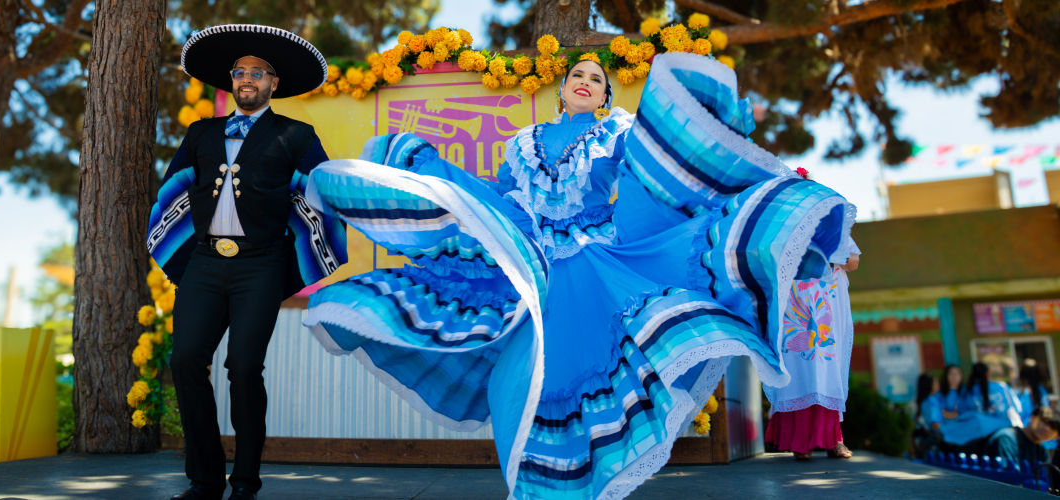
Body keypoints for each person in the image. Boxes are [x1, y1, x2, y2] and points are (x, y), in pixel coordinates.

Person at [303, 52, 855, 499]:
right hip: (535, 264)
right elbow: (505, 198)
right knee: (534, 375)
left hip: (596, 263)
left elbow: (651, 177)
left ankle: (588, 479)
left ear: (606, 96)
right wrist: (445, 183)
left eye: (597, 78)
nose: (586, 82)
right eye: (577, 76)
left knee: (588, 363)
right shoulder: (522, 144)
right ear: (563, 90)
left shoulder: (615, 132)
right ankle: (544, 482)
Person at [145, 25, 347, 500]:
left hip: (261, 264)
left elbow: (321, 198)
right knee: (185, 359)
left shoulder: (296, 134)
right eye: (240, 72)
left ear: (274, 84)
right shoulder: (201, 133)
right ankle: (205, 478)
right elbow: (172, 196)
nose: (247, 79)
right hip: (205, 262)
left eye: (258, 72)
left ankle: (245, 482)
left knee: (242, 365)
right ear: (231, 81)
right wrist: (181, 259)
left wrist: (295, 265)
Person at [762, 234, 860, 461]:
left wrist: (826, 249)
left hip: (827, 307)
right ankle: (800, 443)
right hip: (795, 306)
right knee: (797, 372)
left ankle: (834, 440)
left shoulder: (835, 225)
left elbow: (853, 262)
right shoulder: (784, 225)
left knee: (828, 372)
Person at [941, 363, 1023, 451]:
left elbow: (962, 413)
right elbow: (1018, 409)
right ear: (988, 373)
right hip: (1005, 431)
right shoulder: (1001, 387)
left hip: (976, 437)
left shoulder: (969, 391)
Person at [983, 406, 1060, 472]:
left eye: (1053, 427)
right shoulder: (1006, 438)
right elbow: (1007, 480)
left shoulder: (1042, 451)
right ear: (1032, 417)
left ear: (1056, 436)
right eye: (1045, 421)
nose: (1047, 429)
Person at [914, 373, 945, 456]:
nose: (938, 384)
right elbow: (934, 423)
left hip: (923, 440)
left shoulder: (922, 401)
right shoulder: (931, 401)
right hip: (933, 440)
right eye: (935, 382)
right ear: (929, 385)